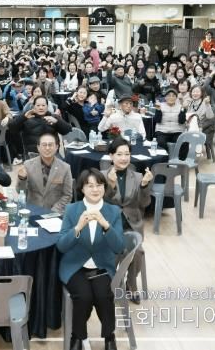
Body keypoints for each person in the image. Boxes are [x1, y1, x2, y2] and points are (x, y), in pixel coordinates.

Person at [57, 168, 124, 350]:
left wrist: (106, 225)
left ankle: (109, 338)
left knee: (104, 295)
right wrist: (77, 228)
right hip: (75, 266)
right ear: (82, 189)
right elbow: (61, 245)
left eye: (99, 185)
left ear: (104, 187)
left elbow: (119, 247)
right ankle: (77, 337)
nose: (95, 189)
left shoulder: (113, 211)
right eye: (90, 186)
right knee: (84, 296)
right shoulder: (72, 209)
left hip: (102, 266)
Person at [102, 137, 153, 304]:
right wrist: (111, 185)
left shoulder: (137, 177)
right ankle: (110, 284)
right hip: (108, 227)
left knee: (137, 252)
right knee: (111, 251)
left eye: (127, 154)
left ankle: (131, 285)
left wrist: (144, 186)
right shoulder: (101, 176)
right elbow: (99, 203)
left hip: (131, 226)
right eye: (119, 154)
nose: (123, 158)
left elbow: (144, 204)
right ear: (111, 156)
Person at [16, 132, 73, 214]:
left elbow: (67, 195)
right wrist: (22, 178)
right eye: (44, 145)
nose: (47, 148)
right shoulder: (28, 165)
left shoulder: (65, 168)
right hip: (33, 211)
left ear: (57, 147)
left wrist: (53, 211)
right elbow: (20, 192)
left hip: (55, 212)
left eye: (50, 145)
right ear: (38, 147)